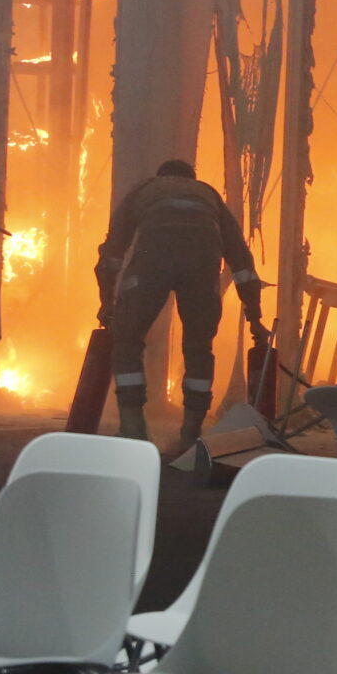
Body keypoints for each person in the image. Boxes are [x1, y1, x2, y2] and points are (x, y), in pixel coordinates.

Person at [97, 158, 263, 454]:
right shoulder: (209, 195)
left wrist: (107, 302)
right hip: (202, 265)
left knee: (127, 340)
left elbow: (112, 251)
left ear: (162, 176)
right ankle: (190, 434)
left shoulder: (145, 190)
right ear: (191, 178)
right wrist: (254, 317)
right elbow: (241, 261)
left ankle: (134, 428)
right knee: (199, 348)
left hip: (152, 262)